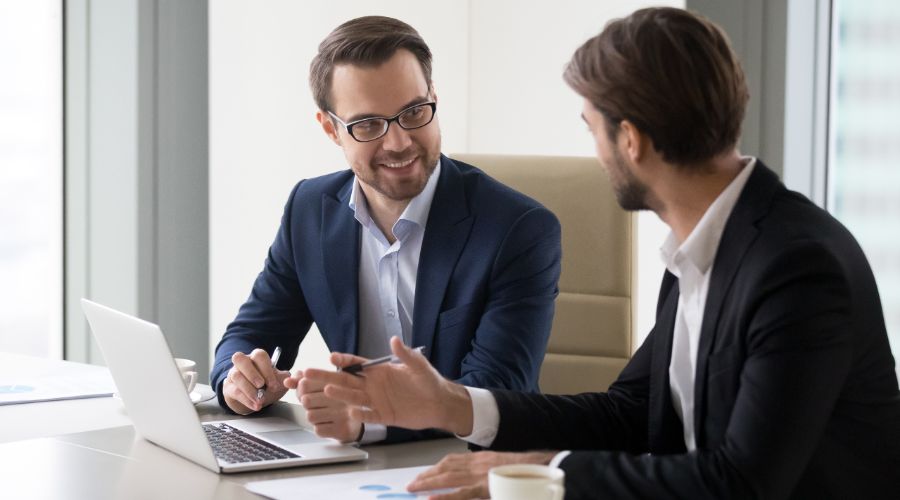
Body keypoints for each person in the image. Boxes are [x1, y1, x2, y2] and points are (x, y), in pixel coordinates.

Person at [299, 7, 900, 499]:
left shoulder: (794, 264)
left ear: (631, 140)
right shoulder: (710, 244)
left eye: (591, 127)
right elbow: (630, 412)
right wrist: (454, 406)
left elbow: (741, 482)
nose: (594, 148)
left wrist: (546, 474)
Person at [210, 16, 561, 445]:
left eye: (413, 112)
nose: (398, 143)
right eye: (369, 124)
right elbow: (249, 334)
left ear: (433, 99)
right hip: (353, 469)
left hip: (470, 466)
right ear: (330, 129)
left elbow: (496, 391)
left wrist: (366, 423)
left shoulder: (518, 230)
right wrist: (237, 379)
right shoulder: (309, 209)